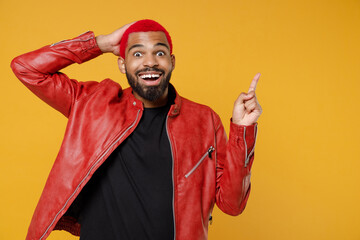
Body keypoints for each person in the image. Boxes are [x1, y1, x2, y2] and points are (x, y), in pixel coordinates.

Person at [11, 19, 262, 240]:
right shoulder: (91, 104)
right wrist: (100, 43)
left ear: (172, 62)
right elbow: (27, 68)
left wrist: (242, 129)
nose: (150, 62)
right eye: (138, 54)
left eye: (160, 53)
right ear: (122, 64)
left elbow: (232, 204)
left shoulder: (204, 119)